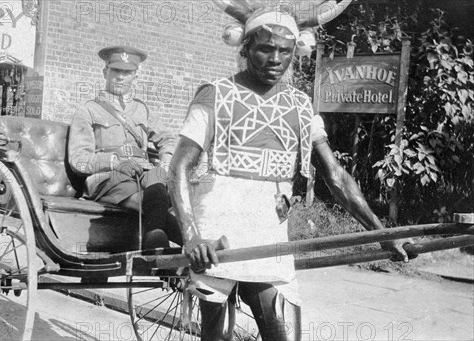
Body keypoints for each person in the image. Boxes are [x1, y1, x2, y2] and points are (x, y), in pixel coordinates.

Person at [169, 6, 411, 341]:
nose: (274, 59)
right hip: (217, 231)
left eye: (284, 50)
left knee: (285, 335)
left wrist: (382, 234)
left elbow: (336, 176)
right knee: (218, 336)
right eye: (264, 48)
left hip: (269, 232)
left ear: (296, 52)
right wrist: (193, 236)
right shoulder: (215, 94)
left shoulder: (300, 104)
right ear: (244, 48)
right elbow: (179, 167)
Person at [68, 45, 180, 249]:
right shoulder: (88, 110)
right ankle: (190, 243)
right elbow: (79, 159)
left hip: (143, 173)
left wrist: (165, 161)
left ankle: (155, 237)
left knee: (157, 176)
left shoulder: (142, 110)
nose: (120, 77)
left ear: (135, 76)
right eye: (115, 71)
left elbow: (168, 139)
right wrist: (115, 163)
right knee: (149, 202)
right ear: (105, 72)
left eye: (126, 72)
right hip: (108, 177)